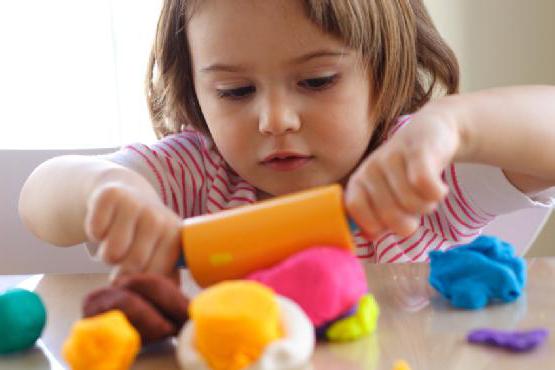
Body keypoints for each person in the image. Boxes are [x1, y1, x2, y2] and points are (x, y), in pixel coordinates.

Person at [18, 0, 555, 278]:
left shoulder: (414, 173)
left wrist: (453, 127)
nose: (275, 119)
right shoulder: (194, 174)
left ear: (384, 69)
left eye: (316, 81)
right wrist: (106, 190)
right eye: (235, 90)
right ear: (194, 88)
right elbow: (39, 198)